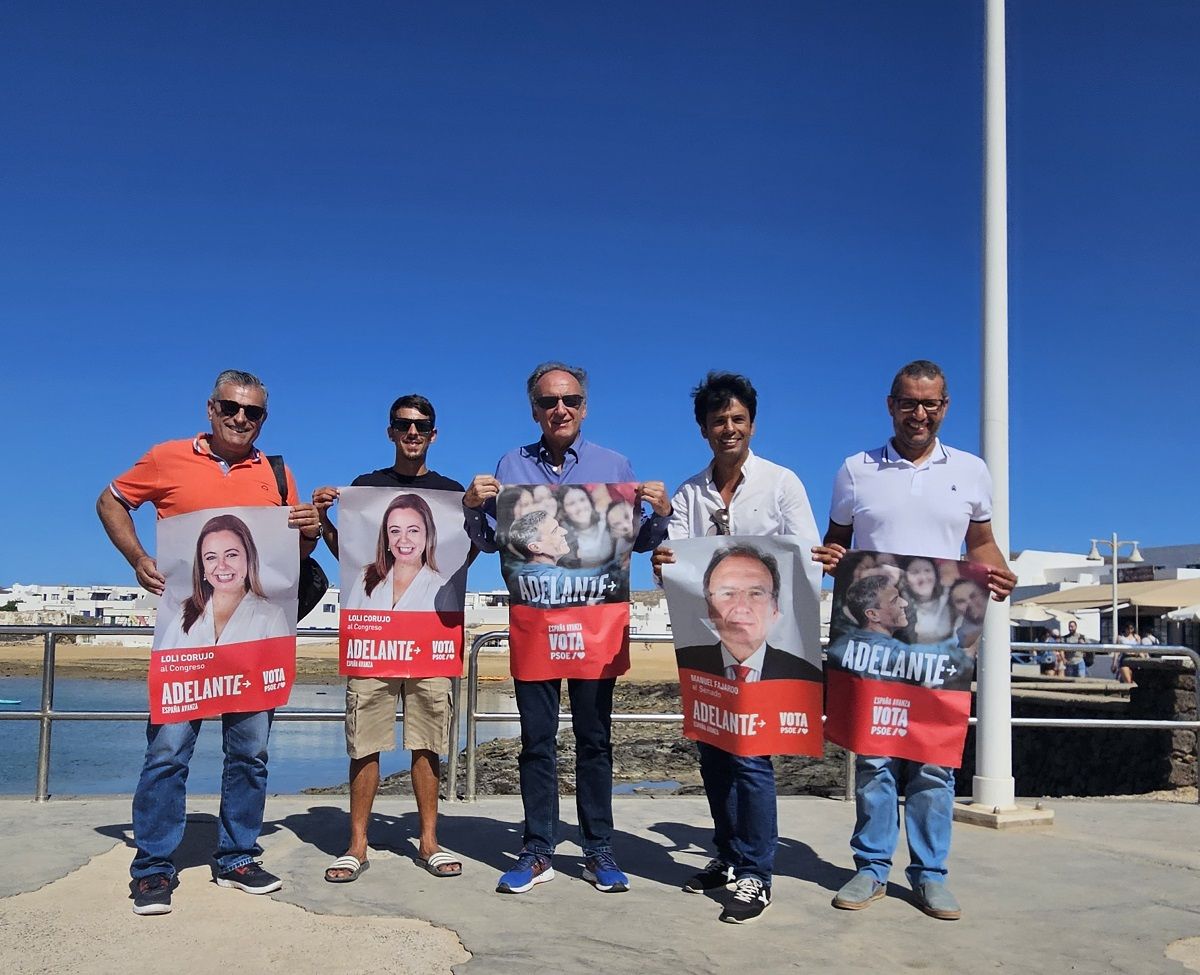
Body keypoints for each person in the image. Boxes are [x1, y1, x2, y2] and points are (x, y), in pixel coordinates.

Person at [96, 369, 320, 916]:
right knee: (168, 753)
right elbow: (110, 501)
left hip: (255, 642)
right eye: (231, 407)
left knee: (250, 753)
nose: (241, 418)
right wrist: (139, 559)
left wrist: (311, 526)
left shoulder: (276, 471)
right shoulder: (166, 457)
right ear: (211, 408)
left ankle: (238, 855)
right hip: (185, 640)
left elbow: (294, 554)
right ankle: (152, 866)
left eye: (254, 412)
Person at [811, 359, 1016, 922]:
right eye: (908, 402)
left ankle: (930, 875)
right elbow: (837, 545)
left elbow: (982, 545)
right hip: (873, 640)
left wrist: (1000, 573)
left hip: (943, 639)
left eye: (930, 403)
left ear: (945, 407)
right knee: (873, 756)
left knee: (933, 761)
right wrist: (831, 560)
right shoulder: (855, 470)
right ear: (890, 404)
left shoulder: (972, 471)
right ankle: (871, 866)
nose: (919, 413)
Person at [464, 361, 671, 895]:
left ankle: (598, 848)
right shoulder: (511, 463)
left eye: (571, 400)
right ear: (533, 409)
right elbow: (491, 544)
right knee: (536, 742)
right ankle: (537, 849)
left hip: (595, 629)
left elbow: (639, 543)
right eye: (549, 402)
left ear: (585, 405)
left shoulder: (614, 463)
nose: (561, 410)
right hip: (535, 628)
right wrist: (473, 508)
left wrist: (660, 514)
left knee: (595, 740)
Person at [653, 371, 820, 924]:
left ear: (752, 423)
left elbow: (806, 558)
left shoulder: (781, 483)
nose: (729, 428)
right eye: (718, 420)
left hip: (766, 645)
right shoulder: (687, 493)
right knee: (714, 754)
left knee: (752, 757)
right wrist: (662, 564)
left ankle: (756, 873)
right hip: (706, 642)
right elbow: (674, 568)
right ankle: (726, 857)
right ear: (703, 429)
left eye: (738, 419)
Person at [311, 394, 469, 883]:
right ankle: (356, 844)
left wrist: (482, 509)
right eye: (403, 424)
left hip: (431, 645)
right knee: (365, 742)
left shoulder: (452, 492)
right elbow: (349, 558)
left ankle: (429, 842)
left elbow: (471, 550)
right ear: (391, 432)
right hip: (372, 645)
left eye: (422, 425)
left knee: (428, 744)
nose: (413, 432)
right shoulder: (366, 487)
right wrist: (323, 519)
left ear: (434, 434)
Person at [676, 545, 820, 682]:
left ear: (775, 608)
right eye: (728, 593)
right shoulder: (685, 665)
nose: (741, 607)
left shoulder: (805, 674)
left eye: (756, 593)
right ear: (710, 608)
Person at [157, 514, 289, 649]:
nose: (221, 566)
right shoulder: (185, 613)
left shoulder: (272, 617)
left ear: (249, 557)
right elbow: (164, 664)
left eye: (231, 555)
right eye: (211, 557)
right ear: (202, 566)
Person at [826, 575, 977, 688]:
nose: (903, 603)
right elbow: (938, 656)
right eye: (894, 600)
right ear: (873, 615)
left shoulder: (841, 645)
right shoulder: (890, 654)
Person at [341, 493, 453, 612]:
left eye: (413, 530)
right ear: (386, 536)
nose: (403, 539)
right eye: (395, 531)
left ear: (428, 535)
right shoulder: (366, 577)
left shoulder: (443, 589)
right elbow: (350, 625)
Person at [558, 484, 616, 567]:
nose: (580, 507)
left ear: (590, 501)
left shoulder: (607, 522)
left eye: (582, 500)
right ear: (564, 511)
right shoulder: (562, 537)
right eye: (571, 503)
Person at [900, 556, 954, 644]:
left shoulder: (949, 597)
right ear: (905, 579)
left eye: (927, 571)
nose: (923, 577)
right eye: (915, 572)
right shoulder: (900, 605)